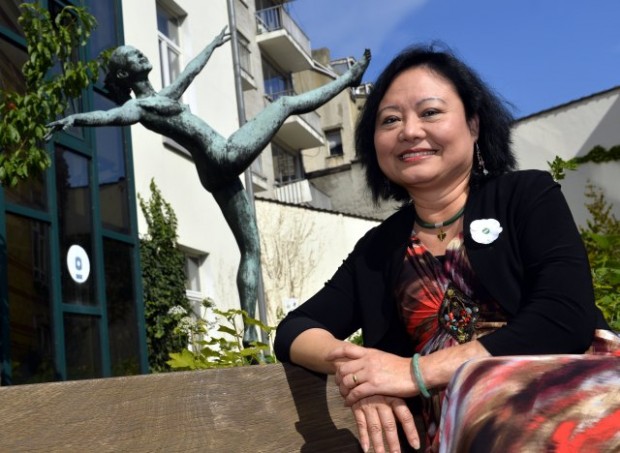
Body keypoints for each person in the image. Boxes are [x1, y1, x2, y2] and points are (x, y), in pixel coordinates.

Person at [274, 43, 617, 453]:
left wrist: (414, 372)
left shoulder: (526, 196)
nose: (410, 131)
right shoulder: (380, 249)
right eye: (390, 120)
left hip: (574, 414)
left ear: (473, 126)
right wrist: (362, 372)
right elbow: (295, 328)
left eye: (430, 112)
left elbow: (565, 316)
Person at [46, 27, 370, 342]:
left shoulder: (162, 96)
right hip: (224, 156)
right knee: (283, 105)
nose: (139, 53)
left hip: (216, 173)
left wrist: (213, 46)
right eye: (131, 55)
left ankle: (249, 331)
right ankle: (347, 80)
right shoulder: (139, 107)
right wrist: (75, 119)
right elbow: (111, 117)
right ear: (123, 75)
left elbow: (190, 71)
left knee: (251, 249)